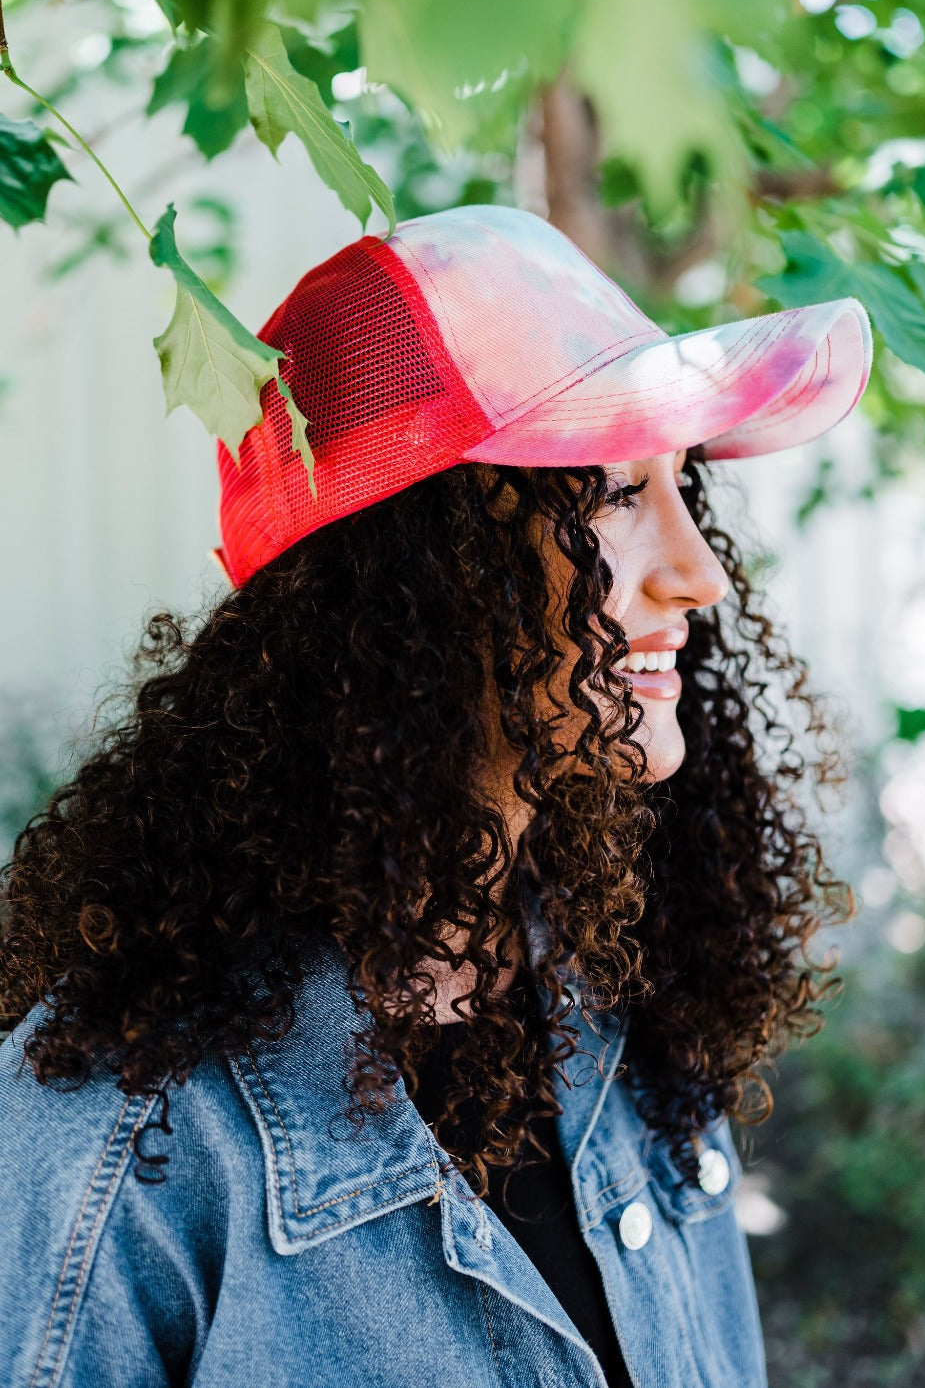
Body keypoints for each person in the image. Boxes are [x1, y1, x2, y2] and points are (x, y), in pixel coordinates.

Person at [0, 204, 872, 1388]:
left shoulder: (631, 997)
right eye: (612, 493)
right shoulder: (125, 1125)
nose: (700, 571)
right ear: (412, 566)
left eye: (683, 486)